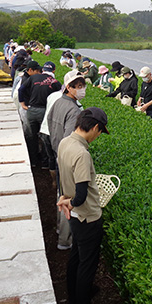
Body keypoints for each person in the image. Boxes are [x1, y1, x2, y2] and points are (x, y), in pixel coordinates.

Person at [56, 107, 113, 304]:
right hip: (87, 217)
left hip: (75, 217)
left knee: (76, 256)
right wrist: (70, 203)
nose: (98, 136)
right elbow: (80, 196)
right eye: (100, 132)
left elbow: (63, 176)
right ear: (95, 127)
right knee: (87, 264)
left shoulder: (65, 142)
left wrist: (64, 199)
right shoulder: (82, 154)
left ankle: (73, 295)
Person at [48, 70, 86, 250]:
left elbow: (49, 125)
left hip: (58, 154)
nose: (81, 89)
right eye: (77, 86)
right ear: (68, 87)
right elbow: (70, 140)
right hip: (67, 160)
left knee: (61, 194)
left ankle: (59, 229)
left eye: (82, 85)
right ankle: (65, 240)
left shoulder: (58, 102)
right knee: (69, 198)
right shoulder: (73, 110)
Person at [19, 61, 62, 168]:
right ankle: (45, 163)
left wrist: (22, 104)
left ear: (43, 70)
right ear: (53, 71)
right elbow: (62, 95)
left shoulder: (33, 78)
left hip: (31, 111)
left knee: (32, 136)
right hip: (44, 112)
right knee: (44, 137)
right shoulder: (54, 81)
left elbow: (21, 89)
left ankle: (33, 161)